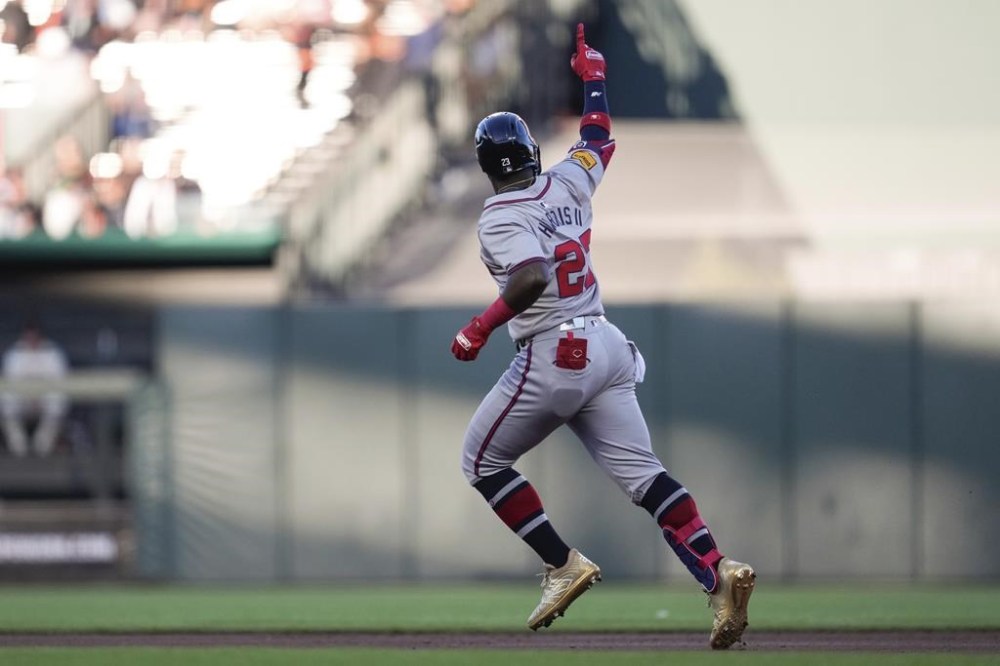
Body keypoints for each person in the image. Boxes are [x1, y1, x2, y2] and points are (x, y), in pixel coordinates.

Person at [449, 24, 755, 649]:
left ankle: (563, 564)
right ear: (532, 149)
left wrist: (478, 328)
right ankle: (718, 573)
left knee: (481, 461)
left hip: (554, 353)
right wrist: (594, 78)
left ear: (486, 167)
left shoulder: (501, 214)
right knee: (645, 478)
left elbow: (532, 275)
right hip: (607, 346)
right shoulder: (567, 181)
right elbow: (598, 139)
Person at [1, 321, 70, 457]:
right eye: (29, 337)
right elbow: (10, 381)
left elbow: (59, 380)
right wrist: (28, 396)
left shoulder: (52, 353)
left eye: (34, 337)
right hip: (21, 400)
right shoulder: (14, 354)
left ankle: (42, 448)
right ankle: (19, 449)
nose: (32, 340)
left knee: (57, 401)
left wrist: (39, 396)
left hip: (45, 399)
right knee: (6, 401)